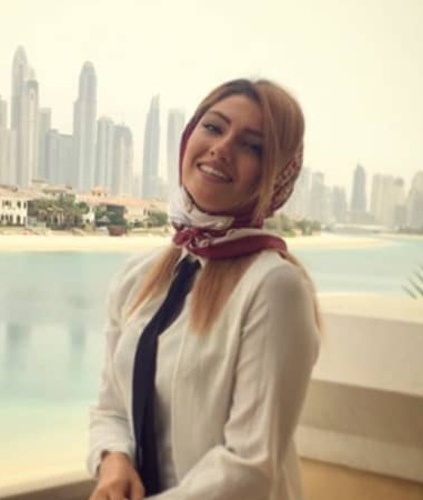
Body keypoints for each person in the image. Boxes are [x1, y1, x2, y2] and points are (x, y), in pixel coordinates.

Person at [87, 79, 321, 500]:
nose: (222, 148)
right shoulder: (137, 277)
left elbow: (249, 467)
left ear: (275, 176)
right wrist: (113, 459)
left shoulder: (274, 288)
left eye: (252, 147)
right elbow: (111, 407)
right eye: (213, 127)